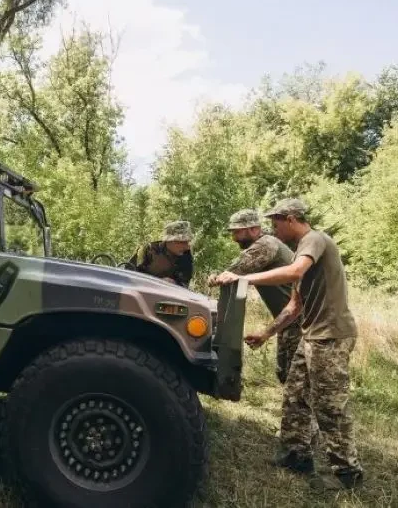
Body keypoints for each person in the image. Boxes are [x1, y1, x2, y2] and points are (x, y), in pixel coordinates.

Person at [213, 198, 363, 490]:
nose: (273, 228)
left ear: (292, 219)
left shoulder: (314, 240)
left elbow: (293, 273)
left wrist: (243, 278)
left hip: (331, 335)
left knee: (329, 405)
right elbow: (294, 306)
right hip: (311, 335)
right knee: (294, 394)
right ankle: (297, 455)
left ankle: (347, 473)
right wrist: (267, 333)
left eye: (276, 222)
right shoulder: (300, 253)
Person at [208, 208, 302, 384]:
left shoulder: (265, 245)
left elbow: (235, 271)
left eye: (238, 232)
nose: (234, 238)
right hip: (289, 320)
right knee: (287, 374)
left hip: (298, 320)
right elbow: (233, 271)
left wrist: (216, 277)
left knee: (296, 377)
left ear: (254, 229)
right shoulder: (264, 243)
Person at [128, 220, 194, 287]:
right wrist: (157, 282)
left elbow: (184, 284)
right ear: (170, 241)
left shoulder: (186, 256)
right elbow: (128, 275)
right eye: (183, 242)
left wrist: (174, 283)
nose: (187, 247)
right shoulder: (147, 250)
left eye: (188, 242)